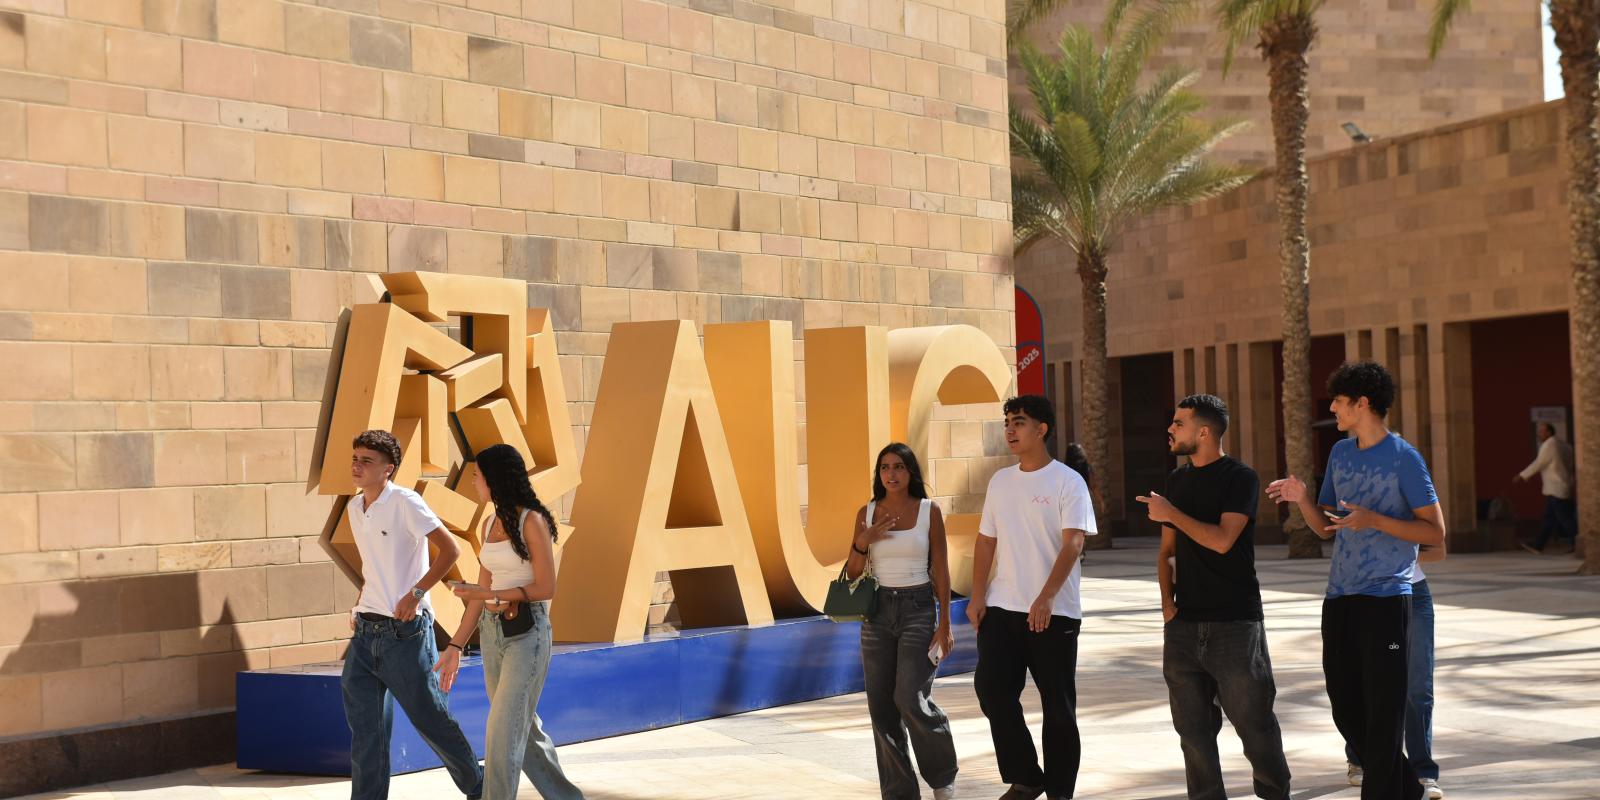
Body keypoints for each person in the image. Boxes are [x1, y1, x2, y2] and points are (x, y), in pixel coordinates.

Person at [1268, 361, 1446, 800]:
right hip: (1340, 595)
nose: (1332, 408)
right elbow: (1326, 527)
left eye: (1338, 401)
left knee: (1383, 711)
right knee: (1345, 705)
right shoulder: (1340, 453)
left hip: (1387, 597)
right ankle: (1407, 789)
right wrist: (1303, 499)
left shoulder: (1404, 458)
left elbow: (1435, 533)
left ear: (1362, 403)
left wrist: (1376, 520)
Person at [1137, 394, 1291, 800]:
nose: (1170, 429)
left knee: (1255, 726)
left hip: (1235, 625)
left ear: (1204, 432)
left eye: (1179, 423)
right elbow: (1167, 552)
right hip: (1183, 627)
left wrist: (1171, 513)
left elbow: (1223, 541)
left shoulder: (1240, 478)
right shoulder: (1176, 482)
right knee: (1193, 734)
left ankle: (1275, 792)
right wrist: (1168, 608)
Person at [436, 444, 584, 800]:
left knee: (501, 731)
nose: (474, 482)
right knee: (522, 730)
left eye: (478, 476)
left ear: (495, 479)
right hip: (492, 634)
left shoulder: (531, 520)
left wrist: (496, 595)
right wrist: (455, 645)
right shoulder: (488, 524)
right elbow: (480, 593)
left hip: (527, 633)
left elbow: (546, 587)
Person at [341, 430, 483, 800]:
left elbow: (451, 550)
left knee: (431, 719)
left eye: (367, 461)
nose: (357, 466)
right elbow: (375, 567)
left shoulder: (405, 502)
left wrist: (416, 593)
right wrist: (360, 604)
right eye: (355, 458)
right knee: (366, 733)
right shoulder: (355, 508)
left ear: (388, 469)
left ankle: (482, 790)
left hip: (405, 633)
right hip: (365, 634)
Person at [969, 395, 1098, 800]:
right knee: (992, 691)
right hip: (1002, 608)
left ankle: (1060, 791)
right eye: (1007, 422)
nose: (1010, 429)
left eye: (1019, 422)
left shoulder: (1068, 481)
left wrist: (1045, 597)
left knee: (1057, 706)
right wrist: (977, 596)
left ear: (1041, 430)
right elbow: (985, 541)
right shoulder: (1000, 481)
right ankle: (1026, 777)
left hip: (1054, 613)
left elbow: (1073, 543)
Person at [844, 442, 958, 800]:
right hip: (877, 611)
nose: (890, 474)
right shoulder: (867, 512)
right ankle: (900, 792)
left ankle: (942, 775)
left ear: (911, 472)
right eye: (884, 467)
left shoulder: (928, 511)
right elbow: (852, 573)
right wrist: (864, 541)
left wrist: (945, 623)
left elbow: (941, 570)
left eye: (898, 467)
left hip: (918, 607)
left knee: (910, 696)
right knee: (880, 706)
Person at [1345, 541, 1447, 799]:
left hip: (1413, 593)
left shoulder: (1416, 510)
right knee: (1369, 682)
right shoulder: (1355, 510)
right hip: (1366, 593)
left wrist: (1396, 550)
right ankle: (1359, 758)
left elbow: (1438, 551)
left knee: (1418, 687)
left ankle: (1423, 771)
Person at [1515, 422, 1576, 554]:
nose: (1539, 434)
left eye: (1541, 432)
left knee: (1565, 519)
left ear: (1549, 432)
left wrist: (1522, 475)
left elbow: (1539, 463)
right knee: (1550, 519)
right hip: (1563, 485)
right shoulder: (1565, 445)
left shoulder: (1549, 444)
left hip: (1556, 487)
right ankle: (1538, 545)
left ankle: (1579, 543)